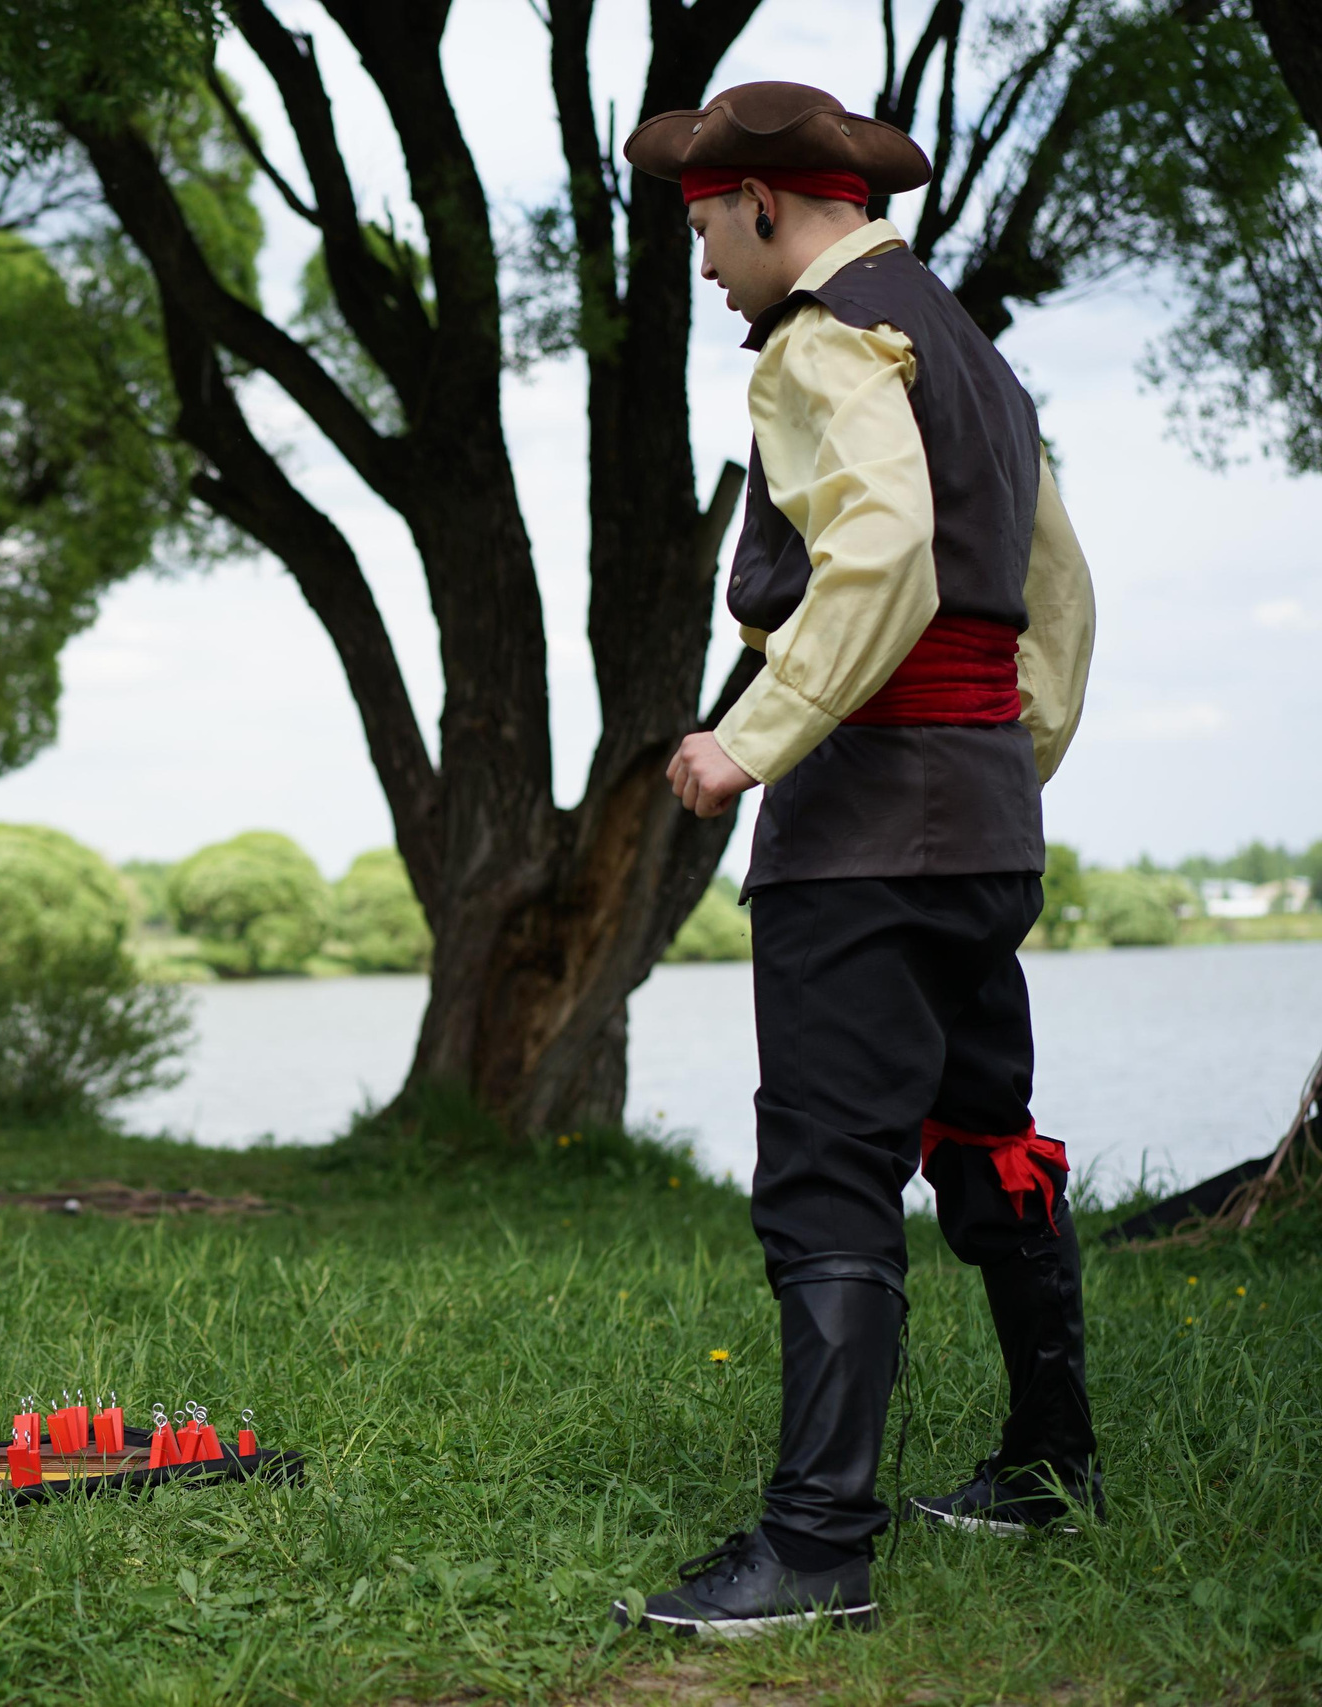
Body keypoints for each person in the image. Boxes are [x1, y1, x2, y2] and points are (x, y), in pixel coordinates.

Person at [612, 84, 1098, 1638]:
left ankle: (818, 1544)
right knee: (981, 1128)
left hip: (860, 831)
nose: (700, 263)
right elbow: (1058, 593)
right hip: (975, 824)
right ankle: (1048, 1463)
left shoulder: (826, 340)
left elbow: (879, 545)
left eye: (703, 227)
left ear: (764, 202)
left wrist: (752, 736)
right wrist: (1007, 769)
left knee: (827, 1169)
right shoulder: (969, 349)